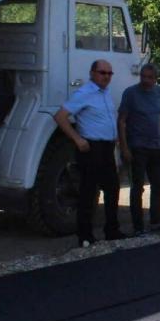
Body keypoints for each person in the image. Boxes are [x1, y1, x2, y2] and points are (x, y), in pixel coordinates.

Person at [53, 59, 125, 247]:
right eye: (103, 73)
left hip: (107, 147)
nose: (106, 77)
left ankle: (112, 230)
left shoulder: (106, 94)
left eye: (110, 74)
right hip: (91, 148)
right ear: (93, 73)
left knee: (112, 189)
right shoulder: (84, 93)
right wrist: (77, 139)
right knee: (88, 191)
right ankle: (85, 236)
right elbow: (60, 117)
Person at [118, 62, 160, 236]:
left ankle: (156, 222)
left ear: (156, 79)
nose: (146, 80)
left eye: (150, 77)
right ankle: (138, 227)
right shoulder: (130, 93)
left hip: (155, 146)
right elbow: (121, 121)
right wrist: (124, 146)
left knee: (158, 185)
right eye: (143, 76)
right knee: (137, 187)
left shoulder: (158, 92)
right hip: (137, 146)